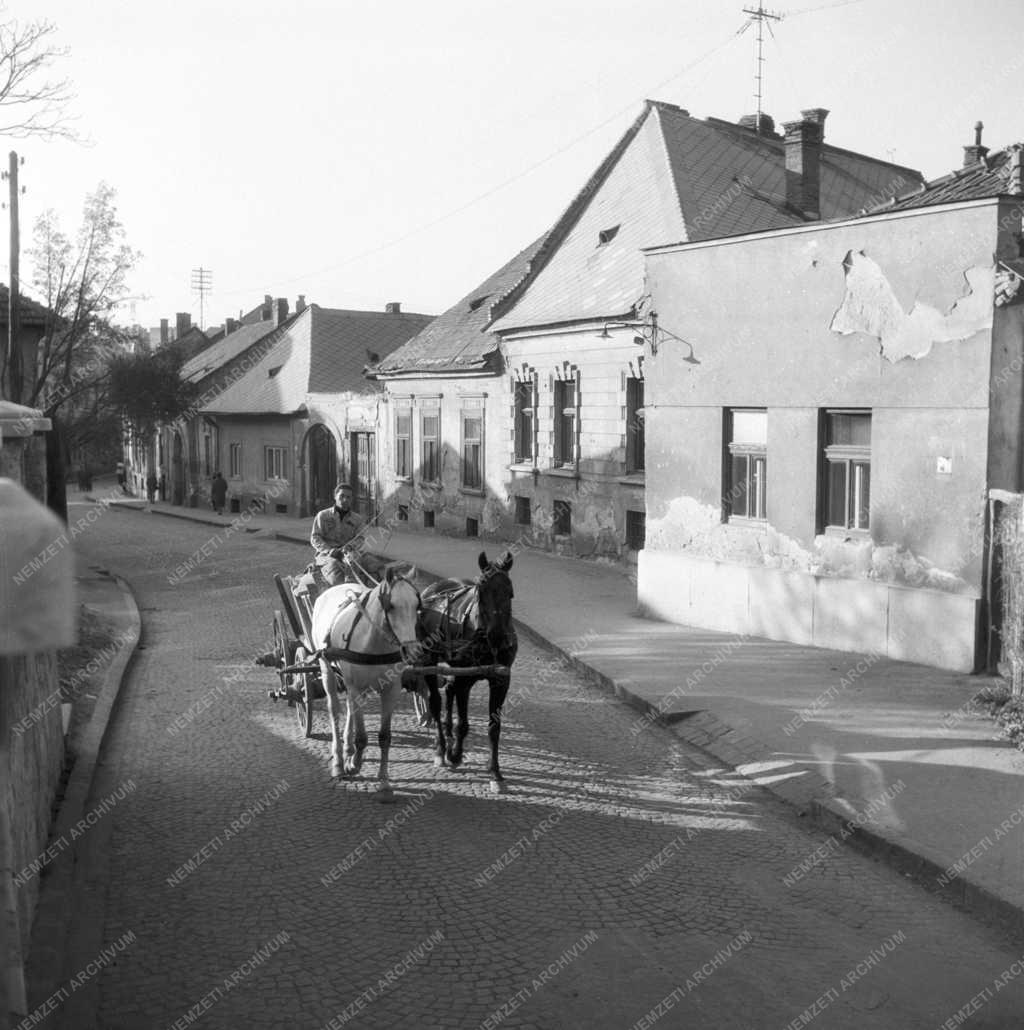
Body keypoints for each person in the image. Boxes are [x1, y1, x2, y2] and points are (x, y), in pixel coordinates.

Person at [311, 483, 365, 585]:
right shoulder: (323, 515)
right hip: (326, 555)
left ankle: (351, 588)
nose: (345, 500)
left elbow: (360, 538)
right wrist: (329, 550)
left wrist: (351, 546)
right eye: (342, 496)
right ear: (335, 496)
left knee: (357, 563)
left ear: (352, 499)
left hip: (348, 554)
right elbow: (315, 538)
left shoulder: (357, 519)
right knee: (335, 567)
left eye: (348, 497)